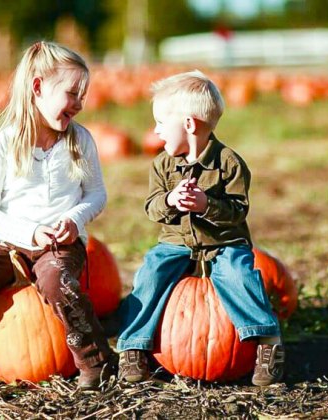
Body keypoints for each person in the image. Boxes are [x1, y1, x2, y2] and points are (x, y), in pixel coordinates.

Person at [0, 41, 115, 390]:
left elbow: (96, 194)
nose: (79, 103)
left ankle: (96, 362)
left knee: (59, 284)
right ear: (38, 87)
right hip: (10, 244)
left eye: (83, 95)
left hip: (60, 247)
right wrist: (30, 232)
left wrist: (74, 221)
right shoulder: (4, 143)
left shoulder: (80, 140)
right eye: (72, 93)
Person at [116, 71, 284, 386]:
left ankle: (267, 342)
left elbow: (238, 212)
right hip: (176, 243)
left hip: (224, 243)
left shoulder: (230, 163)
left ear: (189, 125)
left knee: (240, 277)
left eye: (161, 124)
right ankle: (132, 347)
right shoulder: (162, 165)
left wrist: (207, 205)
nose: (155, 131)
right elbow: (152, 207)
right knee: (150, 275)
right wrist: (170, 200)